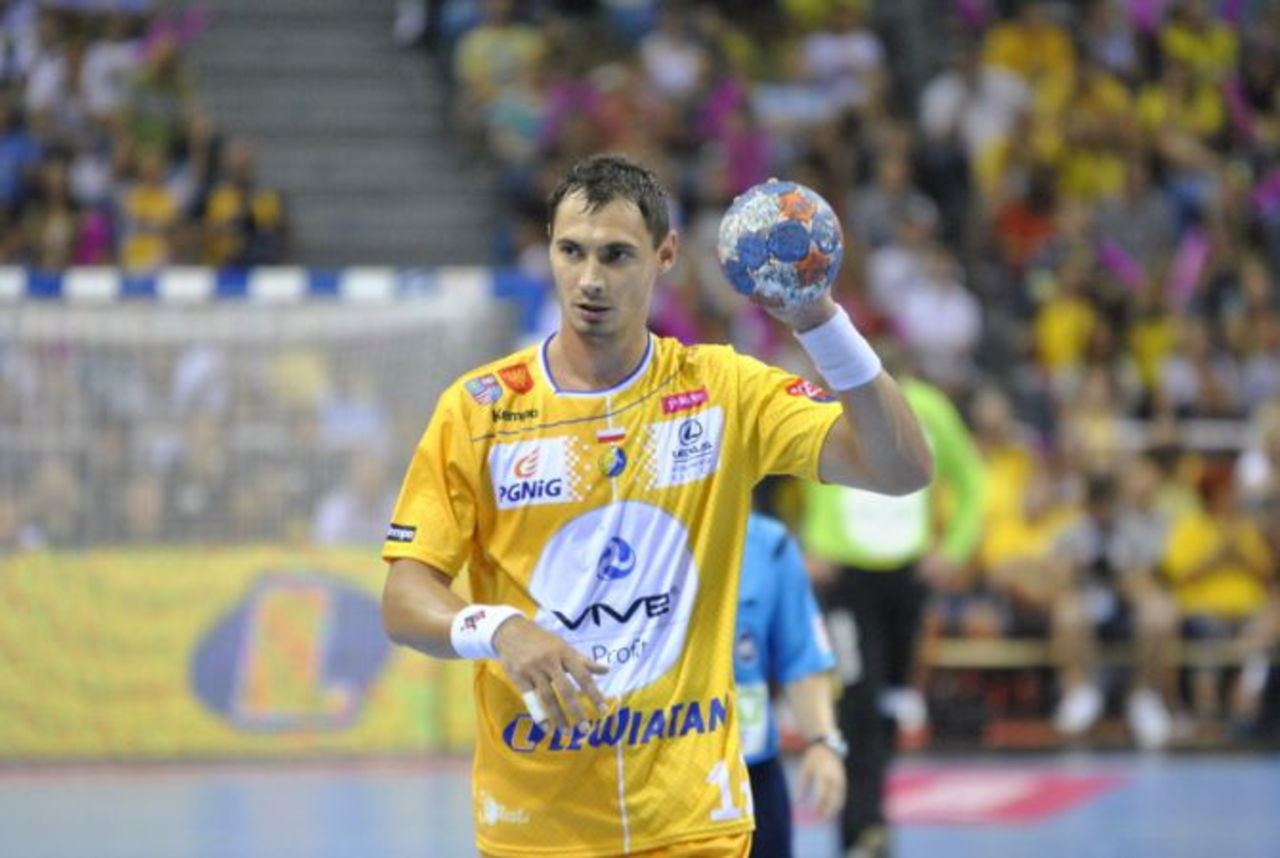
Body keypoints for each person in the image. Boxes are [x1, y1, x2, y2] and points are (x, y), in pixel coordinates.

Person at [380, 153, 931, 858]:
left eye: (616, 255)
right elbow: (405, 598)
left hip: (694, 821)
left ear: (665, 255)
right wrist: (502, 629)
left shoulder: (722, 390)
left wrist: (818, 319)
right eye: (571, 251)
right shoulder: (479, 411)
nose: (590, 279)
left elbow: (900, 468)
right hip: (537, 827)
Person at [800, 359, 985, 858]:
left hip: (906, 579)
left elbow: (970, 478)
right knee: (856, 699)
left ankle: (871, 822)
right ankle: (861, 831)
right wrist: (806, 543)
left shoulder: (928, 407)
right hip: (844, 578)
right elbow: (770, 469)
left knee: (890, 704)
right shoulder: (824, 400)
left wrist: (955, 549)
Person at [735, 509, 846, 858]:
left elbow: (801, 655)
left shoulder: (770, 543)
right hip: (657, 777)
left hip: (753, 772)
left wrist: (823, 741)